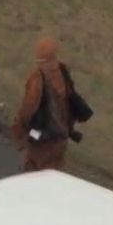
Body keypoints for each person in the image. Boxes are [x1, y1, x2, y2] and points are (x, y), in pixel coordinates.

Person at [9, 37, 82, 172]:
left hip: (41, 135)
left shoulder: (38, 79)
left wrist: (19, 130)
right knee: (53, 169)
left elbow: (28, 110)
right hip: (61, 134)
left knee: (33, 167)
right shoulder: (63, 71)